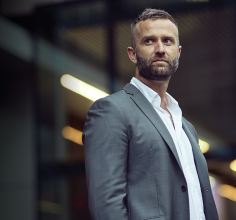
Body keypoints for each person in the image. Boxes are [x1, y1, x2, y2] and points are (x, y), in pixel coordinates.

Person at [83, 8, 219, 220]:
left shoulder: (185, 126)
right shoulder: (111, 111)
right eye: (149, 41)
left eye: (167, 41)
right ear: (132, 54)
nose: (160, 49)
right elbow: (106, 205)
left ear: (178, 52)